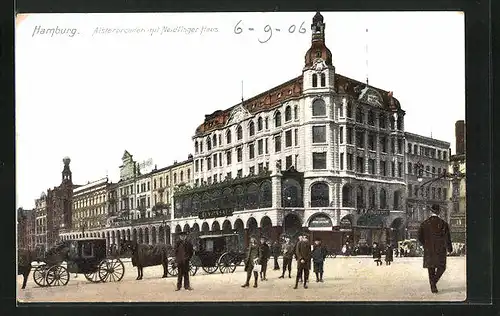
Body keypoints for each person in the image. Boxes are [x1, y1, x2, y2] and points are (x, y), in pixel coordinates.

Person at [418, 204, 453, 293]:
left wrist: (425, 245)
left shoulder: (424, 223)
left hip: (429, 249)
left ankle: (433, 285)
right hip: (440, 250)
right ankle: (434, 284)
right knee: (442, 267)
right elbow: (447, 237)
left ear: (431, 212)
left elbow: (419, 237)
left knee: (431, 268)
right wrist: (449, 248)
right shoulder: (444, 223)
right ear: (439, 212)